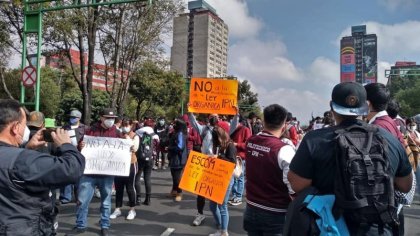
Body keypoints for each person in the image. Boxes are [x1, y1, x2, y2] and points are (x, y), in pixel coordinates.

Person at [288, 82, 413, 235]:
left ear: (332, 106)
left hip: (329, 226)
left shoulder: (314, 140)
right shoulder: (389, 139)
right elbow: (405, 185)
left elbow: (297, 184)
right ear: (366, 106)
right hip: (377, 228)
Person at [0, 99, 85, 235]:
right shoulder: (24, 160)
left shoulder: (19, 156)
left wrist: (26, 147)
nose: (27, 130)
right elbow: (72, 168)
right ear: (15, 127)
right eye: (24, 125)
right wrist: (66, 145)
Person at [243, 104, 296, 235]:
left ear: (264, 120)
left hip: (251, 207)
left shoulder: (251, 141)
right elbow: (292, 185)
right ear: (284, 124)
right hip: (275, 213)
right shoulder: (284, 149)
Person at [69, 108, 119, 236]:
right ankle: (80, 225)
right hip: (89, 173)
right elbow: (81, 145)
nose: (111, 121)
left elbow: (122, 149)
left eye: (112, 118)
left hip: (107, 173)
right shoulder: (90, 130)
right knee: (82, 200)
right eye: (108, 118)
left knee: (106, 202)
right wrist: (81, 146)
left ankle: (105, 226)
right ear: (101, 118)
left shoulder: (116, 132)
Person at [207, 126, 237, 236]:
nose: (214, 141)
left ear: (220, 136)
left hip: (226, 180)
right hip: (217, 178)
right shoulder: (220, 146)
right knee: (212, 206)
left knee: (222, 206)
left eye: (215, 139)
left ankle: (224, 232)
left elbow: (232, 164)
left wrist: (218, 157)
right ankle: (220, 228)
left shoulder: (230, 146)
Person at [109, 118, 139, 220]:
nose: (125, 127)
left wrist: (127, 138)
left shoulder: (135, 136)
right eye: (124, 125)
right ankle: (117, 209)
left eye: (127, 125)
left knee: (130, 187)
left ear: (131, 126)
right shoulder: (118, 135)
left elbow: (135, 148)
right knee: (119, 187)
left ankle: (132, 209)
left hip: (130, 164)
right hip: (119, 164)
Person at [60, 109, 86, 205]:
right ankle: (65, 197)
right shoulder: (65, 128)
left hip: (80, 155)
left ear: (79, 118)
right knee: (67, 175)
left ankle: (79, 197)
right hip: (67, 155)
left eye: (74, 117)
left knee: (80, 177)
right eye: (71, 117)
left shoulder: (85, 129)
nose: (72, 119)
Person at [228, 115, 251, 206]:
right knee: (234, 177)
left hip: (241, 157)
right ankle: (234, 195)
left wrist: (237, 144)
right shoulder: (232, 130)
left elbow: (248, 144)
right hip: (233, 156)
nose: (231, 124)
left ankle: (238, 197)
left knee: (240, 177)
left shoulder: (246, 130)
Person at [135, 119, 159, 205]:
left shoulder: (138, 133)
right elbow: (157, 147)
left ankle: (138, 198)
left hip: (140, 158)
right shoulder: (155, 135)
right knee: (147, 178)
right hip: (150, 158)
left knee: (137, 177)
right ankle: (148, 199)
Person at [168, 119, 188, 202]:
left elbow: (180, 147)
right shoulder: (176, 133)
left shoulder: (180, 134)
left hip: (178, 159)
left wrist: (170, 148)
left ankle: (179, 193)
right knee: (174, 176)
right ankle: (174, 191)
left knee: (177, 177)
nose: (173, 125)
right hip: (174, 158)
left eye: (175, 124)